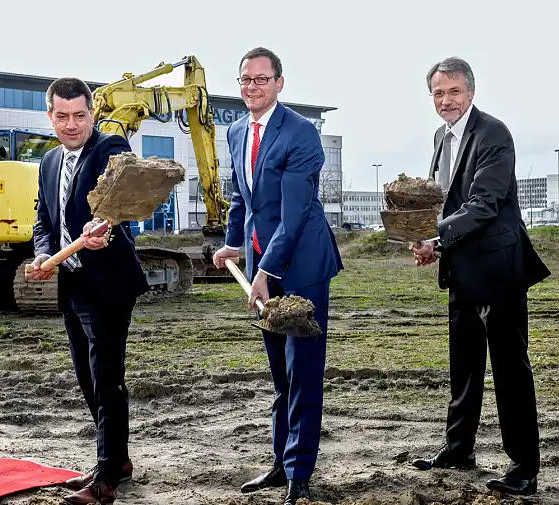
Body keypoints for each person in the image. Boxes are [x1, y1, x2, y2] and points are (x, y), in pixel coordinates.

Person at [409, 57, 551, 496]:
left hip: (498, 270)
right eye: (438, 93)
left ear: (470, 92)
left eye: (453, 91)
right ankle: (458, 449)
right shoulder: (440, 136)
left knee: (510, 370)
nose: (445, 100)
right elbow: (446, 201)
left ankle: (524, 467)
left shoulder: (493, 133)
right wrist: (432, 243)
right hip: (461, 270)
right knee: (464, 366)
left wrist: (436, 235)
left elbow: (484, 203)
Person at [212, 47, 344, 505]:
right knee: (279, 372)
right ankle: (279, 462)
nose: (252, 87)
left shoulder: (301, 133)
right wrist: (234, 243)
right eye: (245, 79)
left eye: (261, 80)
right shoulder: (233, 131)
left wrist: (266, 270)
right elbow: (240, 198)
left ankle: (300, 473)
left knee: (303, 369)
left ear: (279, 83)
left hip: (303, 264)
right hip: (259, 260)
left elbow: (294, 212)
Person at [26, 76, 147, 505]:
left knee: (106, 377)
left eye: (80, 115)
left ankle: (106, 480)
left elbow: (121, 196)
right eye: (63, 116)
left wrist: (107, 227)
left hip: (109, 282)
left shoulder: (110, 148)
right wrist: (44, 254)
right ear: (50, 116)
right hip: (72, 282)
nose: (72, 124)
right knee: (88, 378)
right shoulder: (48, 162)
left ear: (92, 113)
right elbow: (44, 220)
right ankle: (120, 459)